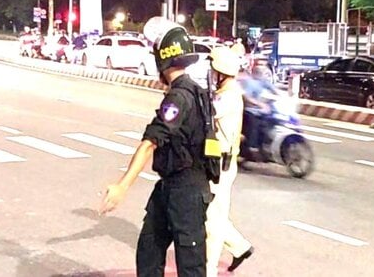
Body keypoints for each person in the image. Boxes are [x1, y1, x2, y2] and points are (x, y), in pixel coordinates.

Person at [100, 17, 221, 277]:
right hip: (171, 187)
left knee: (190, 268)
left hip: (186, 191)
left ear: (163, 58)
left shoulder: (179, 97)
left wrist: (122, 186)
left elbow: (149, 143)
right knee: (149, 250)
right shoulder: (197, 92)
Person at [205, 46, 254, 276]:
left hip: (221, 165)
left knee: (213, 220)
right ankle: (240, 247)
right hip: (217, 161)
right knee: (212, 214)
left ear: (221, 72)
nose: (211, 75)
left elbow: (207, 113)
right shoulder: (225, 91)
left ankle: (209, 270)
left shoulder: (228, 95)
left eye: (214, 71)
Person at [240, 65, 277, 156]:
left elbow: (274, 90)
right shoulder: (250, 83)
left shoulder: (263, 82)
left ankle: (265, 146)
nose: (265, 75)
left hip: (262, 111)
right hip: (250, 110)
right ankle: (252, 147)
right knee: (254, 127)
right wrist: (259, 104)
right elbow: (247, 97)